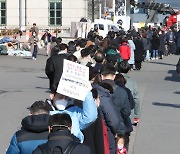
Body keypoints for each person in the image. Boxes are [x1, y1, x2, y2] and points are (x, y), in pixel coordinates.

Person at [117, 61, 140, 125]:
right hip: (129, 113)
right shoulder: (132, 82)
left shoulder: (114, 80)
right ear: (129, 70)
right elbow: (136, 100)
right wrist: (136, 115)